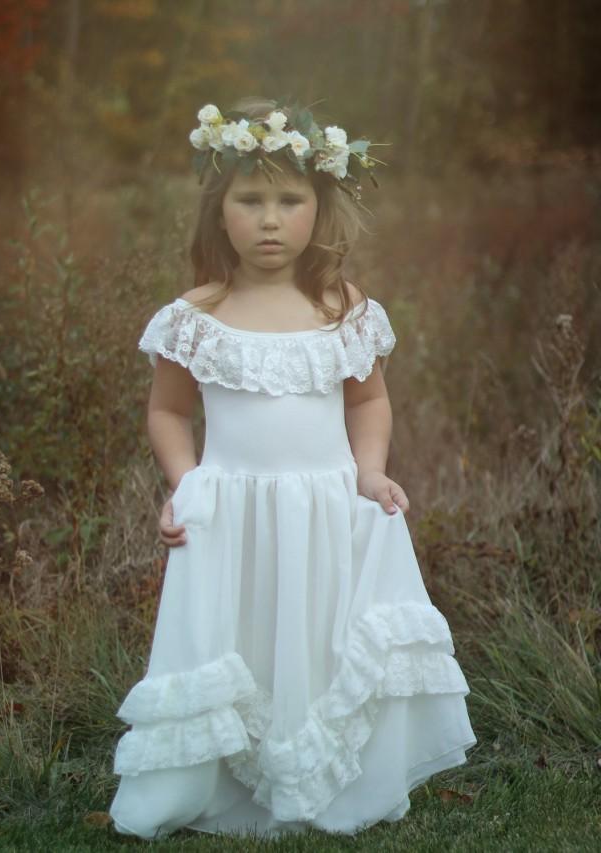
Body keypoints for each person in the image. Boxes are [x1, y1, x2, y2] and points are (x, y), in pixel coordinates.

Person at [108, 96, 477, 840]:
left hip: (326, 506)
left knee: (319, 639)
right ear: (220, 211)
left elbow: (368, 401)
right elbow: (169, 412)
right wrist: (186, 481)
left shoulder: (342, 309)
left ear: (321, 207)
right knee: (240, 635)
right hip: (235, 512)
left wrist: (370, 472)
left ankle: (329, 779)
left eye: (288, 200)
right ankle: (219, 784)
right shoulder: (196, 316)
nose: (269, 219)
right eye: (250, 200)